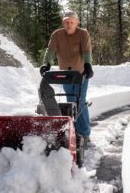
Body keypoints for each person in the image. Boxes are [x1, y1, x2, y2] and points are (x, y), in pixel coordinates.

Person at [40, 10, 93, 142]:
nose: (69, 24)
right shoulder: (57, 35)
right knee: (71, 102)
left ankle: (85, 134)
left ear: (77, 23)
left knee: (79, 102)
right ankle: (74, 132)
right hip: (66, 75)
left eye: (71, 22)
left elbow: (87, 51)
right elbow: (50, 51)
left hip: (81, 74)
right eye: (66, 22)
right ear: (63, 23)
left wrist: (88, 65)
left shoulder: (83, 34)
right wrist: (46, 64)